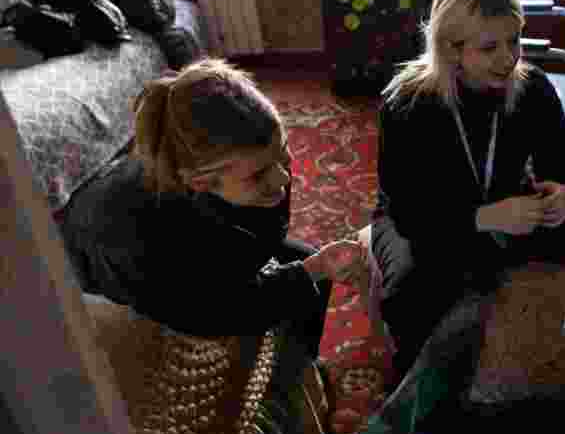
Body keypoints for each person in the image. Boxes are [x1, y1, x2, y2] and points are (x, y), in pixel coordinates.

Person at [371, 0, 565, 379]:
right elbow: (408, 211)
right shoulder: (406, 102)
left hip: (507, 205)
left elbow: (563, 164)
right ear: (452, 49)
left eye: (514, 40)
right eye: (490, 47)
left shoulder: (531, 87)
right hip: (419, 220)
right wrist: (482, 219)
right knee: (413, 293)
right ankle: (415, 391)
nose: (509, 58)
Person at [60, 58, 363, 358]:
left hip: (200, 235)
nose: (282, 178)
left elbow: (264, 237)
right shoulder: (139, 236)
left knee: (309, 276)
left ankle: (299, 369)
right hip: (112, 282)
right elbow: (211, 316)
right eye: (258, 175)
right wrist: (307, 271)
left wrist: (304, 270)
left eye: (282, 153)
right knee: (303, 276)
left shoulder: (257, 162)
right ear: (201, 183)